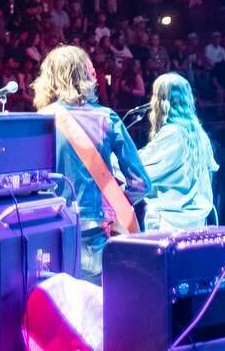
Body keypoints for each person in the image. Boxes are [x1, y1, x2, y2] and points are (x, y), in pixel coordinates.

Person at [32, 44, 151, 281]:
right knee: (95, 309)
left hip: (52, 229)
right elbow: (141, 184)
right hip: (95, 231)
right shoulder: (107, 118)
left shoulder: (41, 121)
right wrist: (113, 201)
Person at [139, 73, 217, 230]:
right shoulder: (200, 134)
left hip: (170, 226)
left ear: (160, 101)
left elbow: (139, 171)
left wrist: (113, 158)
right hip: (197, 224)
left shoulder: (172, 134)